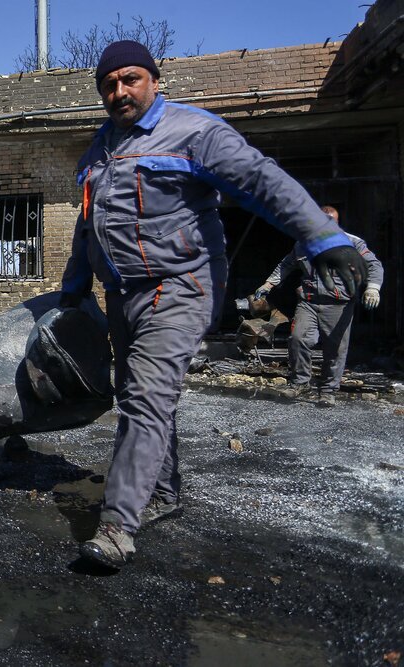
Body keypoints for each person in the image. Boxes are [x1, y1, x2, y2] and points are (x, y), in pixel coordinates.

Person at [60, 41, 367, 569]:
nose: (120, 91)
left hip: (181, 286)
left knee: (147, 397)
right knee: (136, 392)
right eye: (109, 85)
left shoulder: (193, 131)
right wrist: (70, 293)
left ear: (154, 81)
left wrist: (324, 237)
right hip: (123, 292)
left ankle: (116, 528)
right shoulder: (98, 153)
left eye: (131, 79)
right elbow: (87, 230)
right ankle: (162, 493)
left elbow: (262, 182)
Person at [256, 205, 383, 407]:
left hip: (338, 305)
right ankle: (300, 383)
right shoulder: (304, 244)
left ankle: (328, 391)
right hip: (308, 302)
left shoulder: (352, 243)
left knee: (335, 349)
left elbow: (373, 264)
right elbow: (287, 264)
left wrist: (373, 288)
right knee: (298, 339)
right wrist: (268, 283)